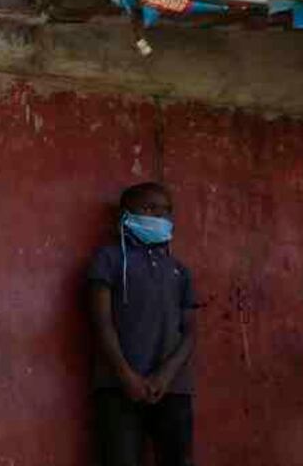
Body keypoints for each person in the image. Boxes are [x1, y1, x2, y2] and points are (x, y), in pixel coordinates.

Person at [88, 182, 198, 466]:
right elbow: (102, 322)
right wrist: (126, 375)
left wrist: (165, 375)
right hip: (117, 385)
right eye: (149, 208)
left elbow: (190, 332)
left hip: (173, 387)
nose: (160, 217)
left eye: (166, 211)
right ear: (124, 215)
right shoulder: (109, 259)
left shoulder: (179, 270)